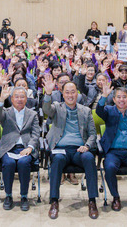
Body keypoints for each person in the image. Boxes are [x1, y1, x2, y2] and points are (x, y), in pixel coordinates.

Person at [43, 77, 99, 220]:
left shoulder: (86, 111)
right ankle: (54, 201)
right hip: (60, 149)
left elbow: (93, 134)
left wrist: (87, 146)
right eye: (67, 92)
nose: (70, 95)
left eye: (73, 92)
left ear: (77, 93)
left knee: (89, 158)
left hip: (79, 149)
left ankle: (92, 201)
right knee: (57, 161)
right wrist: (48, 94)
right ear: (62, 94)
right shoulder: (57, 107)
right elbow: (46, 109)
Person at [0, 84, 40, 211]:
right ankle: (8, 196)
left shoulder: (32, 114)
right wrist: (1, 100)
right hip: (9, 148)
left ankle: (24, 196)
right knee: (8, 163)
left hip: (25, 147)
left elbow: (36, 134)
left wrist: (30, 147)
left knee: (24, 163)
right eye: (16, 97)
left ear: (26, 99)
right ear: (12, 99)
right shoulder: (6, 112)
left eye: (22, 97)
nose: (19, 99)